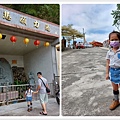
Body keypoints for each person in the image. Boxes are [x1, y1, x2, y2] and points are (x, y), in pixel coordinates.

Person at [106, 31, 120, 110]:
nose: (114, 41)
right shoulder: (109, 52)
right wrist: (107, 73)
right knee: (115, 88)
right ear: (109, 41)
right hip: (113, 72)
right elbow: (107, 63)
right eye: (112, 40)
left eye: (116, 39)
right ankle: (116, 100)